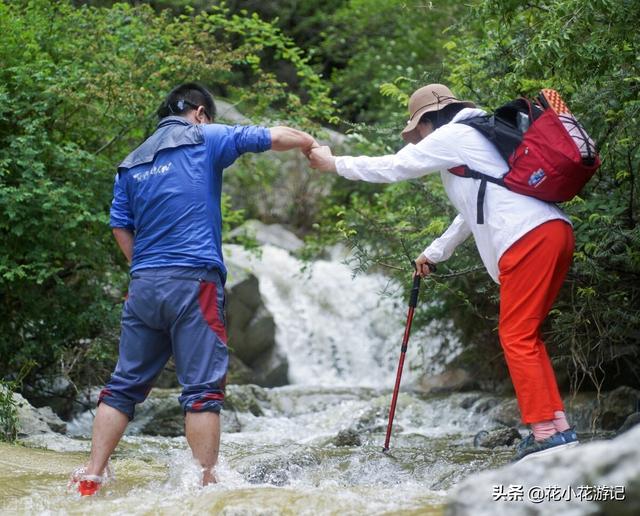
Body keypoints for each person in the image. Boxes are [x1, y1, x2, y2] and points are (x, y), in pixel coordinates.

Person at [308, 83, 578, 462]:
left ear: (429, 120)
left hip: (527, 238)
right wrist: (435, 252)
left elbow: (394, 166)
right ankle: (558, 428)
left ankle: (545, 433)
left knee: (516, 336)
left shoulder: (453, 134)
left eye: (417, 129)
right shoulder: (479, 137)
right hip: (554, 231)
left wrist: (333, 163)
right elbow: (473, 209)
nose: (417, 138)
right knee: (526, 336)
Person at [73, 82, 318, 495]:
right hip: (194, 282)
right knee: (202, 390)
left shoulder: (130, 163)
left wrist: (143, 268)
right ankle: (206, 486)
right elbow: (275, 136)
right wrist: (310, 144)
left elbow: (119, 225)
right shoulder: (204, 137)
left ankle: (92, 473)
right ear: (200, 113)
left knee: (124, 385)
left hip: (145, 286)